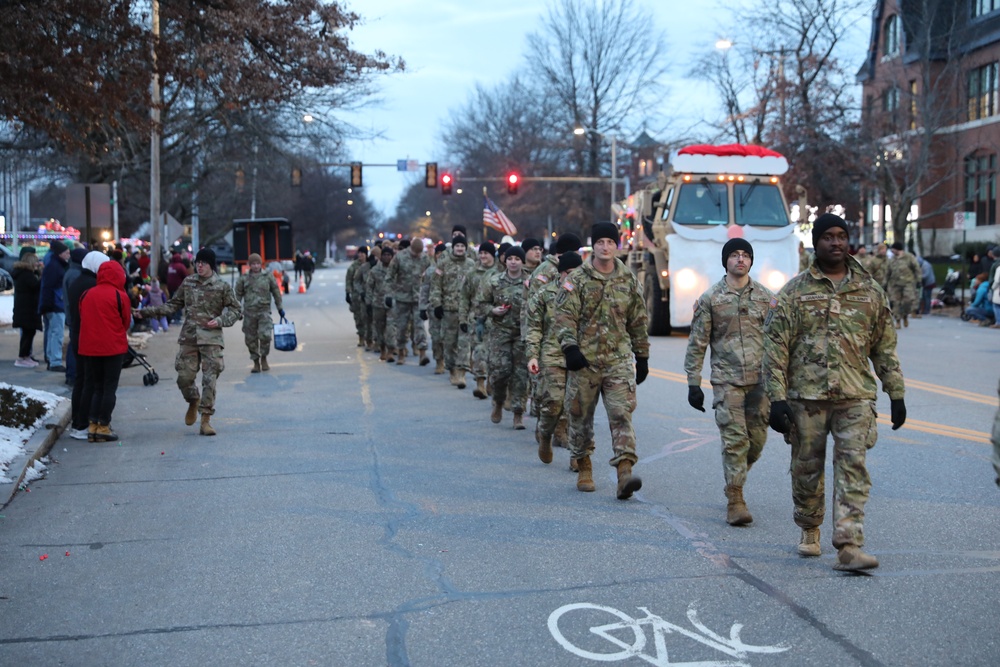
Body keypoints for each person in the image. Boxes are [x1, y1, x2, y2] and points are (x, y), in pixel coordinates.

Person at [763, 213, 906, 571]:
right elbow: (776, 347)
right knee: (806, 469)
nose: (836, 242)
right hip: (806, 398)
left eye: (842, 235)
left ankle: (849, 543)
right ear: (817, 242)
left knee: (853, 468)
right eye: (828, 236)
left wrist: (896, 393)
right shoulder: (795, 292)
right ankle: (809, 527)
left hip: (855, 396)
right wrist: (776, 399)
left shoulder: (870, 291)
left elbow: (884, 348)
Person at [555, 222, 650, 499]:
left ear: (616, 245)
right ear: (592, 246)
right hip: (584, 360)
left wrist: (642, 355)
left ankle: (624, 473)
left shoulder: (629, 279)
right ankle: (584, 465)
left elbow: (638, 320)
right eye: (600, 242)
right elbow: (564, 316)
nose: (605, 247)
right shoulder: (578, 279)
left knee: (621, 414)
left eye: (610, 242)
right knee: (580, 416)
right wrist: (570, 347)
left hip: (618, 360)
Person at [684, 238, 774, 525]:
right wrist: (693, 382)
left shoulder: (765, 297)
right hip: (727, 380)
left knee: (756, 441)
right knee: (735, 440)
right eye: (734, 255)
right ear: (726, 261)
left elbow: (780, 339)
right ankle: (736, 499)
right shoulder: (711, 298)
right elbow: (697, 342)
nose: (740, 259)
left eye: (745, 255)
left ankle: (734, 478)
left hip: (761, 381)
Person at [133, 248, 242, 436]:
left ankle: (206, 419)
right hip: (189, 337)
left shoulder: (221, 286)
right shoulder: (188, 282)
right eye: (197, 262)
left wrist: (221, 320)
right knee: (184, 378)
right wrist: (146, 312)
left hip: (211, 339)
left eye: (204, 263)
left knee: (210, 380)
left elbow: (236, 310)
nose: (199, 266)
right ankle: (193, 399)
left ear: (211, 265)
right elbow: (173, 305)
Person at [526, 250, 583, 467]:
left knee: (578, 407)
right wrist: (532, 355)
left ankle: (578, 456)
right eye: (568, 273)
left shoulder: (587, 294)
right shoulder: (544, 295)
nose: (572, 277)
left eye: (577, 273)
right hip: (552, 355)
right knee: (553, 404)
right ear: (560, 274)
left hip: (579, 356)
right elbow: (533, 328)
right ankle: (546, 434)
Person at [78, 260, 131, 442]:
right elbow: (125, 322)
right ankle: (104, 425)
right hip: (112, 348)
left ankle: (92, 426)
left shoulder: (86, 294)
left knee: (96, 387)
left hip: (90, 348)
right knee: (109, 388)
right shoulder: (120, 295)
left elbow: (82, 317)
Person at [480, 245, 529, 429]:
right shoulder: (494, 281)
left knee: (521, 375)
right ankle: (499, 401)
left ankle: (518, 414)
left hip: (522, 334)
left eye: (517, 259)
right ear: (505, 260)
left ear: (522, 261)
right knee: (500, 371)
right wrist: (492, 310)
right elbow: (481, 304)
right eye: (510, 259)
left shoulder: (530, 281)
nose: (513, 262)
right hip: (500, 332)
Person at [66, 251, 110, 440]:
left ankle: (78, 421)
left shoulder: (77, 280)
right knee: (89, 381)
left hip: (77, 333)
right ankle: (83, 423)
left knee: (81, 380)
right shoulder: (92, 284)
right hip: (87, 336)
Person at [430, 235, 474, 387]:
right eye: (457, 246)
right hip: (448, 310)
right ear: (453, 248)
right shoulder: (443, 264)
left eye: (463, 246)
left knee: (464, 343)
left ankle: (461, 373)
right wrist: (436, 304)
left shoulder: (471, 265)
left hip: (466, 311)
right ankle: (452, 370)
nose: (460, 248)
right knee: (449, 343)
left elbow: (476, 287)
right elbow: (436, 286)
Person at [459, 241, 498, 399]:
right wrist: (462, 318)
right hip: (477, 319)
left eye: (486, 253)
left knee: (494, 355)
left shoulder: (500, 273)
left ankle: (490, 381)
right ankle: (480, 384)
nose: (483, 256)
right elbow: (464, 298)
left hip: (496, 320)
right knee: (479, 352)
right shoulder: (472, 273)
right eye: (481, 253)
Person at [234, 253, 285, 373]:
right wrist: (237, 311)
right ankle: (255, 361)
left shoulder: (268, 276)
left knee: (265, 335)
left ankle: (264, 358)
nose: (256, 266)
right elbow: (237, 295)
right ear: (249, 265)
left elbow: (276, 292)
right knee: (250, 339)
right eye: (253, 264)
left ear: (261, 264)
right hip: (249, 313)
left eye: (258, 263)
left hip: (264, 312)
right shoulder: (244, 278)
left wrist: (280, 308)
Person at [385, 238, 431, 365]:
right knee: (401, 327)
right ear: (411, 249)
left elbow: (430, 276)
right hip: (402, 298)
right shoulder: (399, 257)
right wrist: (389, 295)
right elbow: (389, 276)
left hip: (418, 298)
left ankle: (422, 353)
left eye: (419, 253)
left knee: (419, 326)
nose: (417, 255)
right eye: (415, 253)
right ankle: (401, 353)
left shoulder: (425, 259)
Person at [39, 240, 70, 371]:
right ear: (60, 253)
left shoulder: (54, 265)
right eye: (67, 252)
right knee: (57, 333)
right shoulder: (55, 267)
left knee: (53, 333)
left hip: (53, 304)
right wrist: (49, 304)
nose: (69, 255)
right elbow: (48, 287)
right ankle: (55, 361)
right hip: (55, 305)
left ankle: (52, 359)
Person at [11, 249, 42, 367]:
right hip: (27, 309)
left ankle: (25, 356)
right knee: (28, 334)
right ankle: (22, 357)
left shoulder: (20, 273)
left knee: (28, 333)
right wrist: (42, 276)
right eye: (35, 261)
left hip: (24, 308)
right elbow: (35, 286)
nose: (37, 264)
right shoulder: (26, 274)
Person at [62, 247, 88, 386]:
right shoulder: (74, 274)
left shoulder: (72, 271)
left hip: (72, 315)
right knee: (74, 347)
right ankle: (72, 375)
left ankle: (72, 374)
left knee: (74, 345)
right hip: (74, 316)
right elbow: (75, 297)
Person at [420, 244, 447, 371]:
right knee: (436, 337)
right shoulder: (430, 271)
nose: (440, 256)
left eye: (443, 253)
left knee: (448, 338)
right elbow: (424, 290)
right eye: (438, 253)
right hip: (433, 308)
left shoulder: (452, 270)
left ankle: (449, 360)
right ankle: (439, 361)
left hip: (449, 309)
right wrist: (422, 308)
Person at [365, 245, 394, 360]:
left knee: (391, 328)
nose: (386, 257)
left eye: (389, 255)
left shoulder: (395, 269)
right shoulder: (375, 270)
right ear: (381, 257)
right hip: (378, 303)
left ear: (392, 257)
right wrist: (368, 302)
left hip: (392, 304)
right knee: (379, 328)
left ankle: (391, 351)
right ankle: (382, 348)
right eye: (384, 255)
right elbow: (369, 287)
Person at [886, 241, 920, 328]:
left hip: (907, 283)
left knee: (908, 301)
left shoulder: (909, 257)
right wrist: (885, 283)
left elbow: (916, 268)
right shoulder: (892, 259)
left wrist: (919, 280)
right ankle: (897, 321)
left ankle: (905, 315)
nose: (892, 251)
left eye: (893, 249)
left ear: (898, 249)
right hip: (895, 284)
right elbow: (888, 272)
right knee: (895, 302)